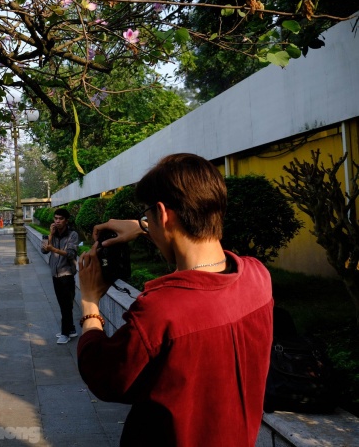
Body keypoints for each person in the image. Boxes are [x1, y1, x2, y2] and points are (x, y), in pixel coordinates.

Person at [76, 153, 273, 447]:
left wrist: (90, 303)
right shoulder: (258, 277)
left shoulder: (161, 310)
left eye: (149, 217)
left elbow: (105, 377)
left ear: (163, 214)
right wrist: (144, 226)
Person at [41, 208, 79, 344]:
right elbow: (44, 250)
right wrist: (50, 236)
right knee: (63, 304)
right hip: (55, 274)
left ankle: (65, 333)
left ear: (66, 220)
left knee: (66, 305)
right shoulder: (52, 234)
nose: (57, 221)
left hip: (66, 274)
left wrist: (54, 250)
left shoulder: (72, 235)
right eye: (55, 218)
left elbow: (70, 254)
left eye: (60, 219)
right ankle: (72, 329)